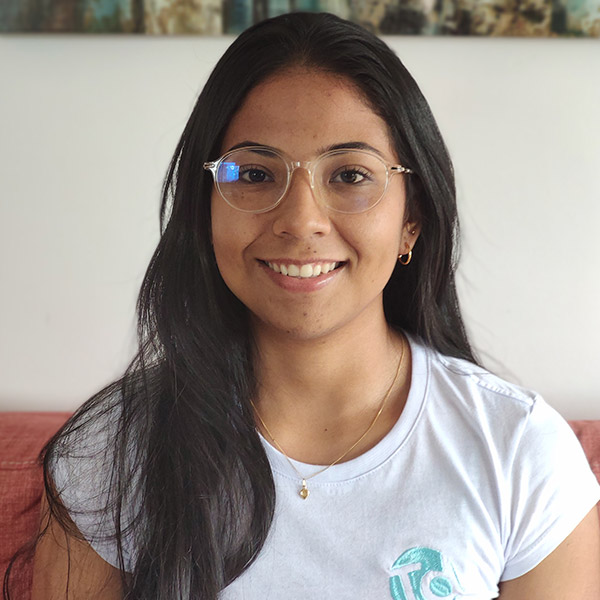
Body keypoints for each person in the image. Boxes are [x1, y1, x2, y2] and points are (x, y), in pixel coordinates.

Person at [16, 11, 599, 600]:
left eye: (349, 175)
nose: (300, 221)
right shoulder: (109, 453)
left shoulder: (520, 453)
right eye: (254, 173)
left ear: (412, 219)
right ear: (204, 209)